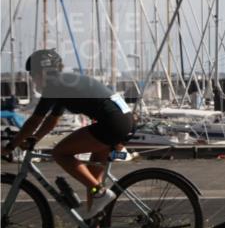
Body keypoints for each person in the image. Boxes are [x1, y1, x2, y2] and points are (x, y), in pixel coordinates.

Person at [2, 49, 135, 217]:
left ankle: (100, 192)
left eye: (32, 75)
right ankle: (94, 225)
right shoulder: (64, 83)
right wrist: (34, 138)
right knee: (92, 179)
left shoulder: (54, 85)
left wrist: (10, 146)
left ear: (41, 73)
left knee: (60, 153)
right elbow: (52, 120)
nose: (32, 80)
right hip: (124, 122)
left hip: (112, 124)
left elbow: (35, 120)